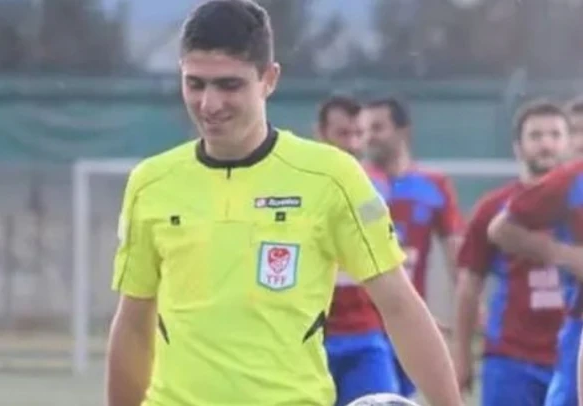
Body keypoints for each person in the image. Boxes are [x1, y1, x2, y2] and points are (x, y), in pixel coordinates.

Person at [105, 1, 461, 406]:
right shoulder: (151, 183)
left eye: (229, 85)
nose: (209, 103)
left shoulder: (331, 177)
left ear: (269, 79)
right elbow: (134, 323)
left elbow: (399, 305)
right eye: (195, 83)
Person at [453, 100, 568, 406]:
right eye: (536, 135)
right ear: (518, 147)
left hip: (571, 355)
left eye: (555, 135)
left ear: (569, 143)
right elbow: (468, 286)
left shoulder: (577, 205)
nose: (546, 144)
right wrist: (461, 356)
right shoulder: (494, 208)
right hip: (511, 359)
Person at [359, 97, 463, 398]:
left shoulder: (433, 184)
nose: (368, 137)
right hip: (357, 324)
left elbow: (456, 254)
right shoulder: (355, 182)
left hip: (406, 319)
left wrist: (463, 318)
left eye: (377, 128)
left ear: (403, 131)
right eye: (364, 130)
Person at [487, 105, 583, 406]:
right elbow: (501, 229)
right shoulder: (572, 179)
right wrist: (567, 256)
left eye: (556, 134)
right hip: (567, 331)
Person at [316, 96, 400, 404]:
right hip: (313, 337)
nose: (352, 143)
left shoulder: (377, 186)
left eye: (359, 133)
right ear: (321, 133)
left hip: (366, 335)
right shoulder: (302, 188)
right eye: (343, 133)